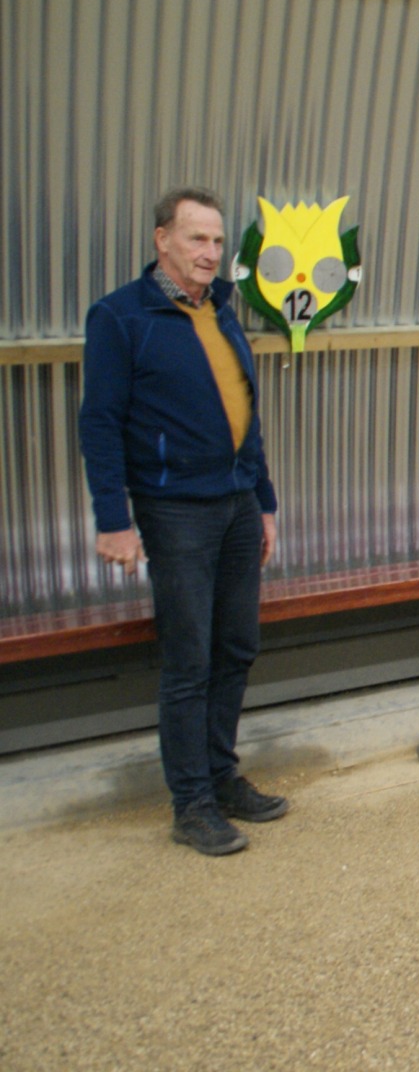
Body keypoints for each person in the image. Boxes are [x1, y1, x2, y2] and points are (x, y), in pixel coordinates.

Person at [78, 188, 286, 856]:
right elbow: (99, 422)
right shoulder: (120, 316)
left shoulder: (221, 310)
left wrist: (264, 502)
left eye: (218, 241)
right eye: (198, 238)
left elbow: (244, 415)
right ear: (162, 239)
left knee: (237, 646)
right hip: (175, 510)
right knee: (189, 660)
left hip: (236, 503)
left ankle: (222, 777)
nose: (211, 253)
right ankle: (191, 803)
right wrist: (113, 519)